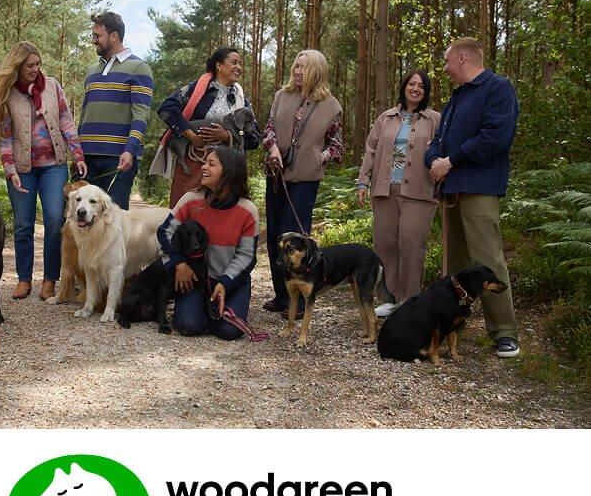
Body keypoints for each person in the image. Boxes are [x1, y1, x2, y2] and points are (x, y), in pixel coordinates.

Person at [425, 37, 520, 358]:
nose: (445, 68)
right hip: (450, 190)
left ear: (463, 59)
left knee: (487, 261)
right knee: (456, 266)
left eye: (447, 61)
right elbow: (438, 140)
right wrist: (434, 161)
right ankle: (453, 325)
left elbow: (495, 137)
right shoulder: (456, 98)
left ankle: (505, 333)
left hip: (479, 188)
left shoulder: (497, 89)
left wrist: (449, 161)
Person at [0, 41, 86, 301]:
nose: (35, 69)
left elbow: (66, 121)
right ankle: (23, 279)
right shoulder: (8, 95)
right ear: (17, 67)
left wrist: (77, 154)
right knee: (23, 224)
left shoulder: (52, 86)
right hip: (23, 169)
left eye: (38, 64)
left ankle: (50, 279)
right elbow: (5, 138)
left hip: (53, 166)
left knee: (54, 220)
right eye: (29, 65)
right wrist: (10, 170)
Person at [262, 49, 344, 316]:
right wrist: (272, 148)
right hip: (276, 176)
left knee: (294, 238)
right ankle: (280, 295)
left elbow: (337, 146)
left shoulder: (331, 106)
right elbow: (269, 129)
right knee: (276, 234)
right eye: (296, 66)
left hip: (306, 180)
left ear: (317, 72)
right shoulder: (281, 96)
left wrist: (319, 157)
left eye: (303, 68)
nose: (297, 72)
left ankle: (295, 301)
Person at [356, 69, 441, 317]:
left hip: (419, 191)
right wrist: (363, 182)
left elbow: (442, 150)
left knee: (411, 245)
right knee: (385, 245)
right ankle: (391, 297)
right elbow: (371, 150)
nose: (415, 89)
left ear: (425, 93)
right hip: (385, 189)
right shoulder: (386, 118)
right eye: (411, 84)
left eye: (421, 86)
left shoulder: (435, 119)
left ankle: (411, 301)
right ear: (404, 86)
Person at [157, 146, 258, 340]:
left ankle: (214, 310)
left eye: (211, 164)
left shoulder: (247, 210)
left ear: (229, 172)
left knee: (229, 331)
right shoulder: (190, 200)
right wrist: (179, 263)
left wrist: (225, 284)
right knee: (188, 325)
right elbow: (165, 232)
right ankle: (199, 308)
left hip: (231, 282)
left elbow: (246, 256)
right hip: (196, 281)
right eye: (205, 162)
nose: (203, 167)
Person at [151, 46, 261, 206]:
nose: (239, 67)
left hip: (226, 171)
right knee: (184, 211)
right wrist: (192, 136)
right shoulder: (195, 89)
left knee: (219, 215)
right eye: (234, 62)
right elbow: (166, 108)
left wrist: (228, 136)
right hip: (193, 163)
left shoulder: (241, 100)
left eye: (240, 64)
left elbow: (255, 139)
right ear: (219, 65)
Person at [77, 12, 154, 210]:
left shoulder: (139, 68)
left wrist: (130, 149)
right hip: (88, 158)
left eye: (97, 36)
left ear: (114, 36)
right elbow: (85, 113)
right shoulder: (91, 70)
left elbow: (141, 114)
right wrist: (77, 151)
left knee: (113, 224)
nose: (94, 41)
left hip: (119, 159)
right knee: (85, 225)